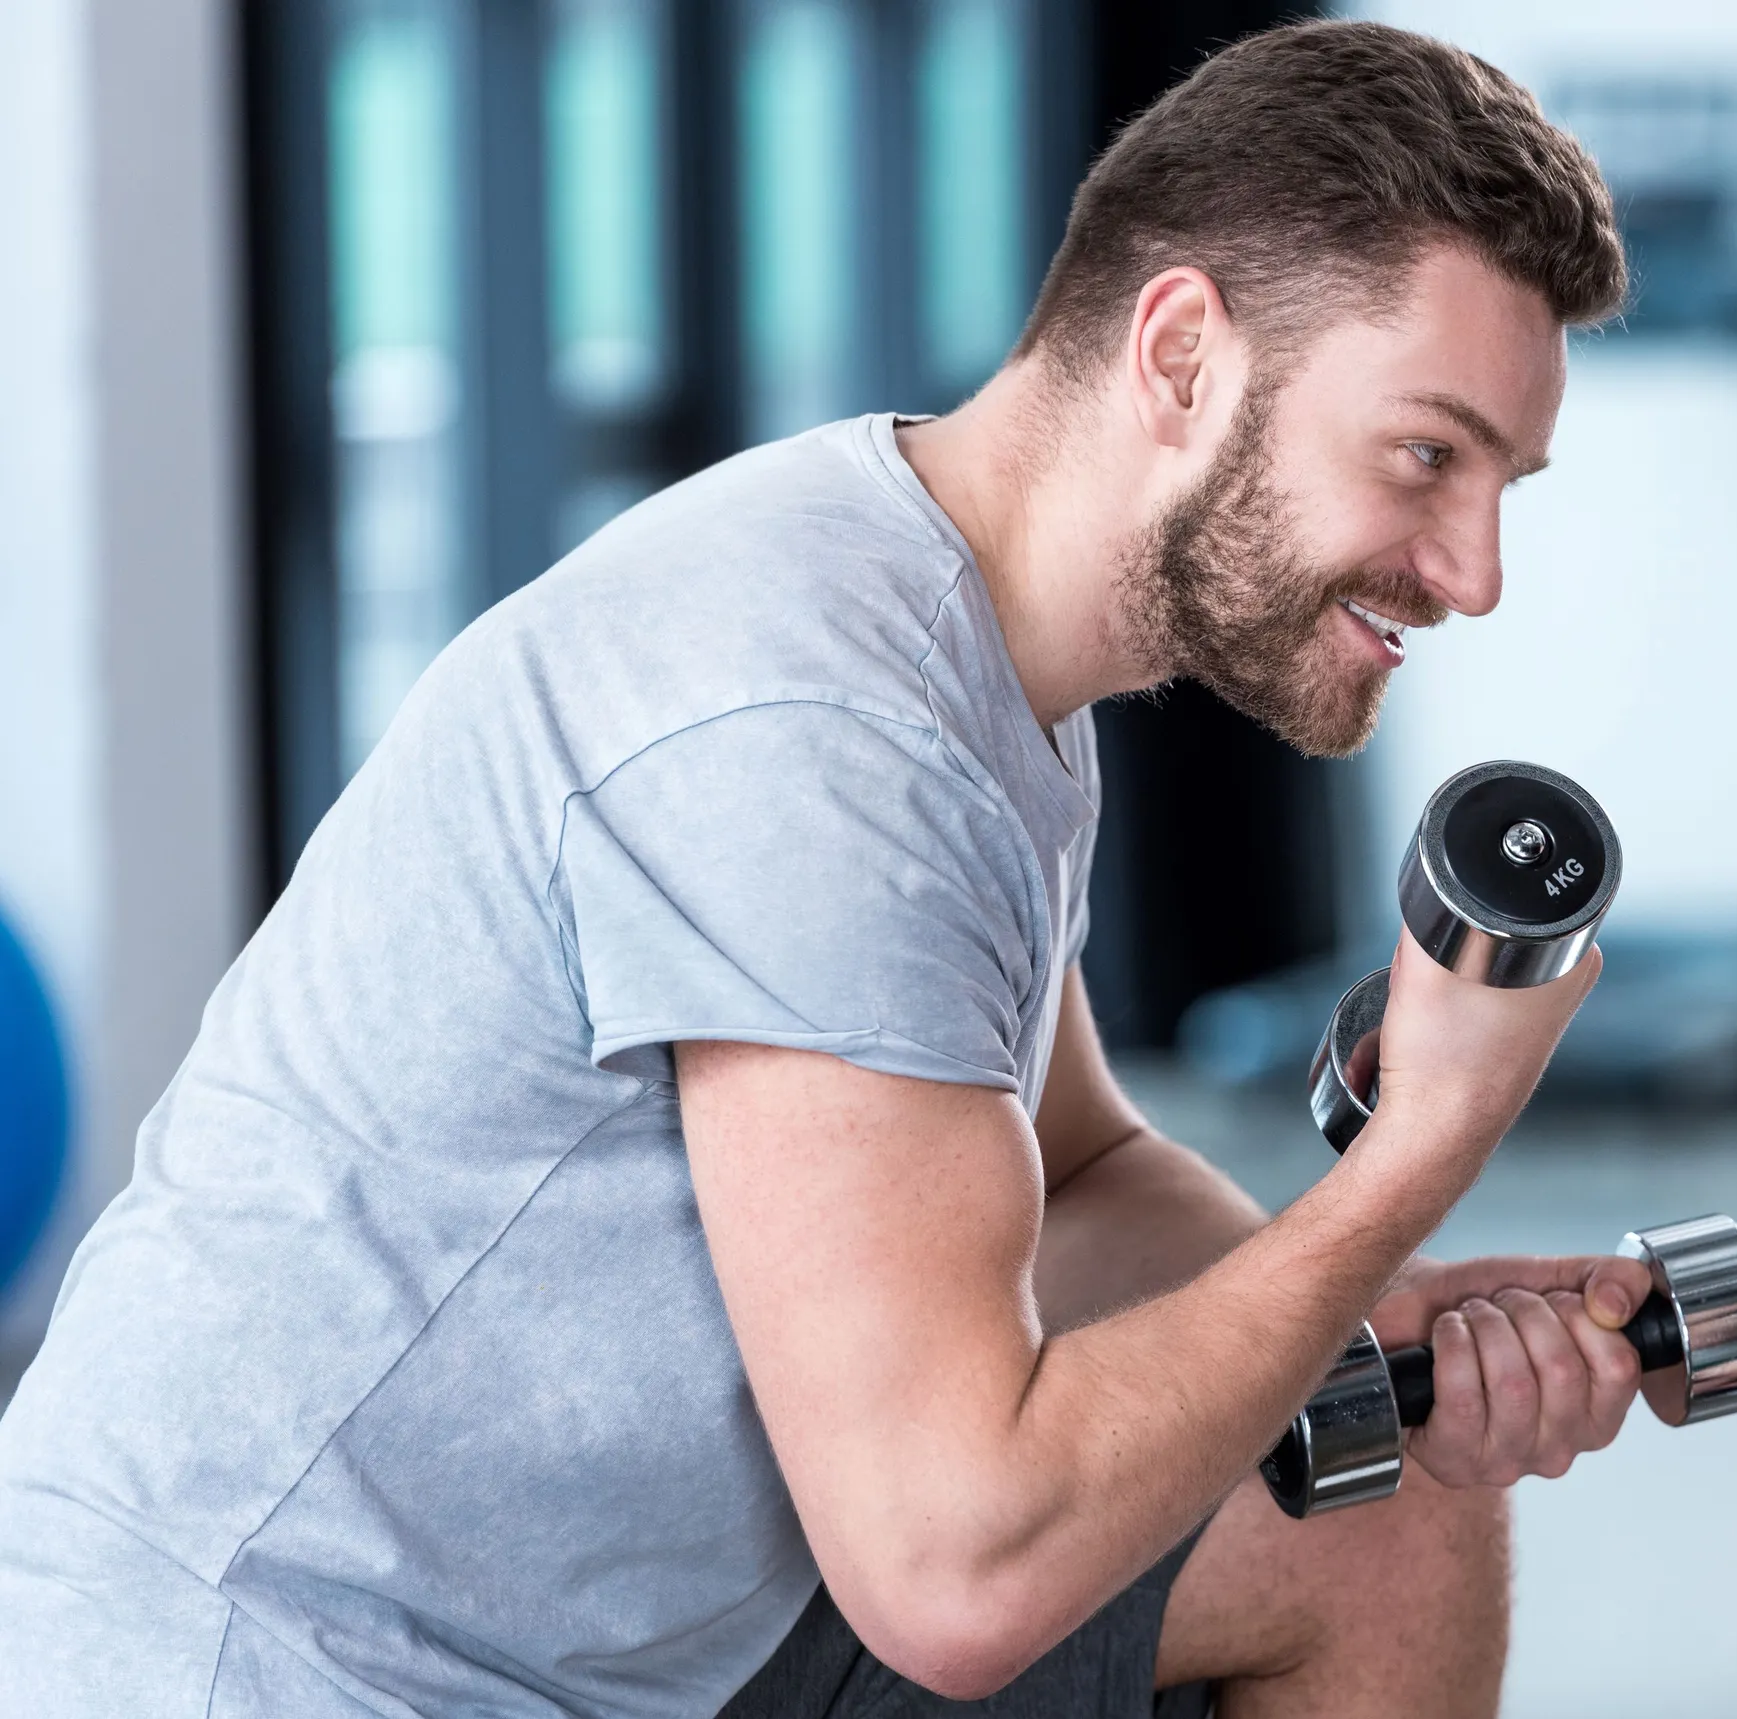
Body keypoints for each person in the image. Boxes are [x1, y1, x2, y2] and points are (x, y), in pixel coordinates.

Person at [0, 23, 1654, 1718]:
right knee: (1027, 1533)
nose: (1477, 572)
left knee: (1382, 1516)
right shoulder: (817, 723)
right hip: (295, 1664)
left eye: (1502, 483)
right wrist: (1415, 1155)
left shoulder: (974, 646)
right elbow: (954, 1574)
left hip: (652, 1647)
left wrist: (1350, 1310)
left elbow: (1082, 1176)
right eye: (1427, 455)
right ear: (1180, 357)